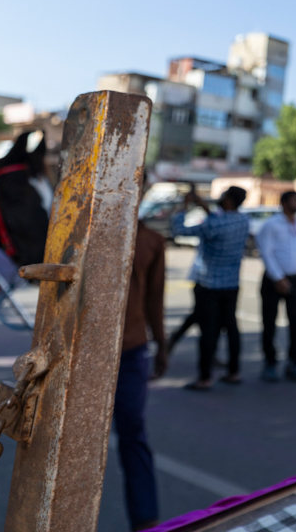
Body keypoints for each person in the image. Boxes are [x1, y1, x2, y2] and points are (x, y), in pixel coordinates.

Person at [114, 184, 169, 531]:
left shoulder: (150, 241)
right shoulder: (84, 232)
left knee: (132, 433)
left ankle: (146, 520)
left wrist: (161, 344)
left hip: (131, 350)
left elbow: (154, 299)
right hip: (84, 354)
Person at [172, 185, 250, 390]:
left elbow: (180, 230)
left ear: (229, 201)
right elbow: (218, 221)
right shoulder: (243, 221)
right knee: (231, 328)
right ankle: (234, 371)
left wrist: (184, 206)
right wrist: (204, 207)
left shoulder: (213, 224)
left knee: (208, 332)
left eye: (223, 196)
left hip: (209, 284)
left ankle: (204, 377)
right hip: (231, 284)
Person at [257, 191, 296, 383]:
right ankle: (270, 363)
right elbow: (266, 252)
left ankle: (294, 362)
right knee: (269, 322)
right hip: (274, 280)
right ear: (284, 203)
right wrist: (278, 278)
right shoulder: (272, 225)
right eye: (294, 200)